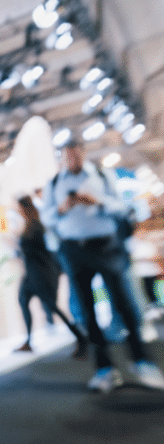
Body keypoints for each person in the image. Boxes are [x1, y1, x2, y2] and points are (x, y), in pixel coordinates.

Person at [42, 138, 164, 393]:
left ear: (83, 154)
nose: (71, 160)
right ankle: (105, 369)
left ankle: (141, 361)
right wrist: (64, 208)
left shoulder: (102, 176)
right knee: (87, 311)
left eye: (75, 155)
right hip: (74, 249)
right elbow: (48, 218)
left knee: (125, 304)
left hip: (106, 246)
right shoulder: (54, 184)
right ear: (62, 158)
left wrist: (97, 201)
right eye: (67, 156)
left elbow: (122, 208)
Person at [13, 196, 89, 358]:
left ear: (24, 207)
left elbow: (44, 250)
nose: (16, 210)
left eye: (18, 207)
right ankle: (28, 341)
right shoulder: (28, 226)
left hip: (41, 272)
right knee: (24, 301)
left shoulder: (37, 226)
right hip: (31, 273)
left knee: (51, 307)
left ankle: (80, 337)